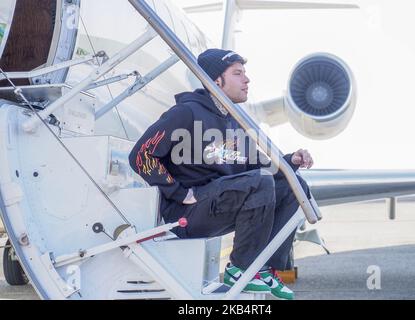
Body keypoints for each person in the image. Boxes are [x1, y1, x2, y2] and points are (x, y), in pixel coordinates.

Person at [128, 48, 315, 300]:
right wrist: (181, 194)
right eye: (238, 73)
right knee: (260, 183)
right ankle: (240, 268)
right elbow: (141, 155)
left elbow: (257, 168)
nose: (246, 80)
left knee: (295, 185)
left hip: (222, 203)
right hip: (187, 214)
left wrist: (291, 161)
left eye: (245, 74)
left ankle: (263, 267)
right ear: (216, 80)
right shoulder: (187, 112)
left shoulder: (234, 121)